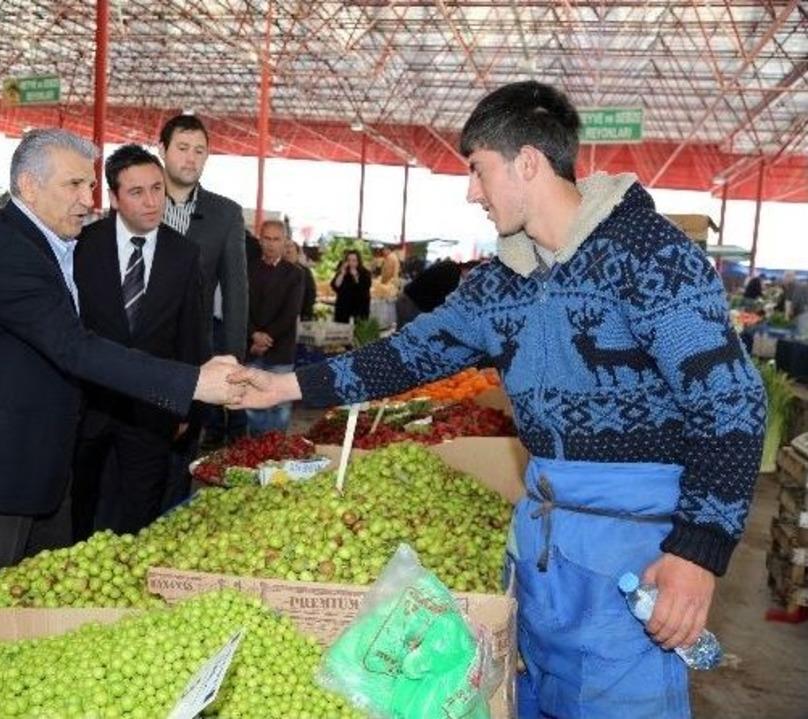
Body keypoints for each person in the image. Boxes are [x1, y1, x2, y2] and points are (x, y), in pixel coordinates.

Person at [231, 80, 765, 718]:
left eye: (478, 169)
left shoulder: (651, 257)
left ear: (527, 162)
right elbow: (409, 354)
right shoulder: (503, 283)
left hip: (634, 551)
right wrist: (286, 385)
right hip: (543, 546)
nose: (472, 192)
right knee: (533, 695)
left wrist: (697, 550)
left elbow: (732, 404)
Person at [0, 129, 241, 641]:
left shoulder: (48, 243)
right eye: (74, 185)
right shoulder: (9, 253)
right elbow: (75, 347)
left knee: (40, 605)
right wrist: (191, 382)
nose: (87, 199)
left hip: (40, 460)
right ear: (29, 187)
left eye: (90, 185)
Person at [71, 144, 206, 538]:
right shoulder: (82, 245)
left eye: (157, 189)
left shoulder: (184, 254)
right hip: (89, 406)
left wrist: (188, 406)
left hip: (153, 411)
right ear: (114, 198)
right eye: (136, 192)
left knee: (141, 513)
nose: (151, 202)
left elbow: (191, 335)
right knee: (82, 505)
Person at [158, 114, 247, 496]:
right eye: (182, 148)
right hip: (134, 350)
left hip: (193, 356)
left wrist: (234, 364)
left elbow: (236, 292)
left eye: (199, 150)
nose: (191, 158)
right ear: (162, 150)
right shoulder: (136, 199)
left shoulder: (225, 214)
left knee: (180, 460)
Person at [246, 220, 304, 435]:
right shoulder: (247, 269)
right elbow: (239, 306)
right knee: (253, 404)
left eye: (276, 239)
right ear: (260, 240)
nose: (271, 244)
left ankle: (277, 449)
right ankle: (256, 449)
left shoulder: (295, 273)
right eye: (267, 239)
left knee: (280, 405)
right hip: (251, 348)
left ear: (285, 241)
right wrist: (253, 335)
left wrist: (265, 338)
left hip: (280, 350)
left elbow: (290, 313)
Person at [331, 249, 371, 323]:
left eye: (354, 260)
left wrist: (356, 276)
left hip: (359, 309)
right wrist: (342, 274)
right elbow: (335, 286)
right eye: (348, 260)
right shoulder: (343, 271)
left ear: (358, 261)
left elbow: (364, 288)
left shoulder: (365, 273)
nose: (351, 263)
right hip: (343, 309)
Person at [284, 239, 317, 321]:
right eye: (285, 246)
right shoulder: (278, 270)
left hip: (300, 316)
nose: (288, 249)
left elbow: (311, 294)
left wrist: (305, 315)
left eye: (290, 246)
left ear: (297, 252)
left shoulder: (304, 271)